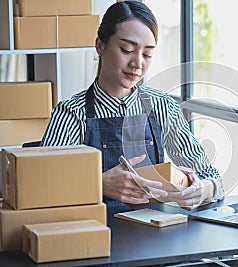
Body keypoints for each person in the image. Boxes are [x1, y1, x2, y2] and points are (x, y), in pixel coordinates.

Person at [40, 1, 224, 210]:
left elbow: (210, 176)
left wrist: (203, 190)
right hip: (93, 234)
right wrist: (99, 184)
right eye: (127, 50)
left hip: (154, 234)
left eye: (147, 54)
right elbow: (42, 186)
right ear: (100, 45)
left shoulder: (162, 108)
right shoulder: (71, 113)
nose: (138, 64)